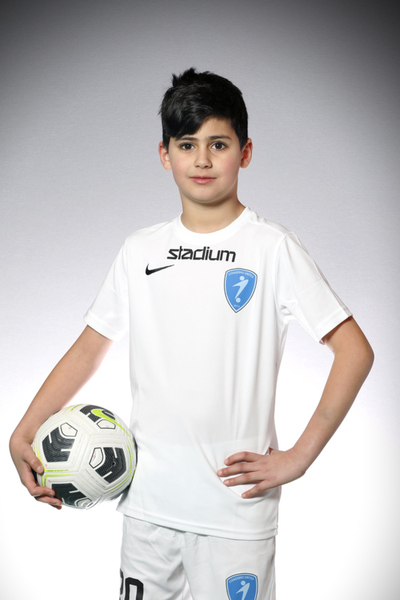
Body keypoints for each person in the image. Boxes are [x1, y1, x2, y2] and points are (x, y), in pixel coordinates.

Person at [10, 68, 374, 600]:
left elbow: (355, 352)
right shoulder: (140, 250)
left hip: (235, 513)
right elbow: (89, 349)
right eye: (187, 144)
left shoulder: (271, 248)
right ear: (165, 155)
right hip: (147, 509)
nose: (202, 160)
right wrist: (24, 430)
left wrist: (299, 456)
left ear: (245, 152)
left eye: (218, 144)